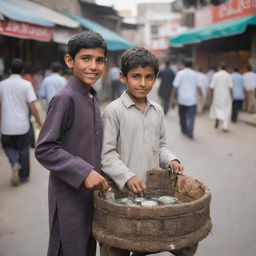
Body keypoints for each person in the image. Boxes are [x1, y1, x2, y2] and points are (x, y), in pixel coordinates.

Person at [101, 47, 197, 256]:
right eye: (136, 76)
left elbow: (161, 146)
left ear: (155, 78)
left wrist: (171, 160)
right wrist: (127, 176)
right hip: (119, 197)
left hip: (149, 195)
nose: (143, 83)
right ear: (123, 77)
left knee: (144, 245)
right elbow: (106, 155)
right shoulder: (114, 111)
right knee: (116, 248)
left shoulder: (157, 110)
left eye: (148, 77)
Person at [35, 31, 109, 256]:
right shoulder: (65, 97)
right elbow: (45, 148)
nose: (93, 66)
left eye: (99, 60)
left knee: (87, 246)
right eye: (86, 58)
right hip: (68, 195)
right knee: (68, 248)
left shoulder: (90, 96)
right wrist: (85, 172)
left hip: (88, 196)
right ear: (70, 60)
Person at [0, 58, 42, 186]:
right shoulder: (26, 85)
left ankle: (14, 162)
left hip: (6, 125)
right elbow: (32, 105)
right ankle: (24, 177)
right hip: (22, 125)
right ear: (23, 71)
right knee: (24, 150)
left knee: (7, 147)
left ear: (9, 70)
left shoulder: (2, 84)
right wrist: (38, 121)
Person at [171, 59, 202, 139]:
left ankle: (184, 130)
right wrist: (201, 95)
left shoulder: (180, 73)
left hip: (182, 99)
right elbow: (198, 86)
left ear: (184, 65)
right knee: (191, 117)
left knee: (182, 115)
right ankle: (190, 132)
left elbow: (175, 86)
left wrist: (173, 96)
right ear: (192, 66)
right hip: (192, 99)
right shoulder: (195, 74)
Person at [209, 62, 233, 132]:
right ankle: (225, 126)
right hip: (226, 95)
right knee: (226, 110)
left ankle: (217, 121)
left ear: (219, 67)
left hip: (217, 96)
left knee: (217, 109)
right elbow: (230, 87)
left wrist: (211, 95)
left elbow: (211, 87)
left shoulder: (215, 75)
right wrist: (232, 95)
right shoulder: (229, 75)